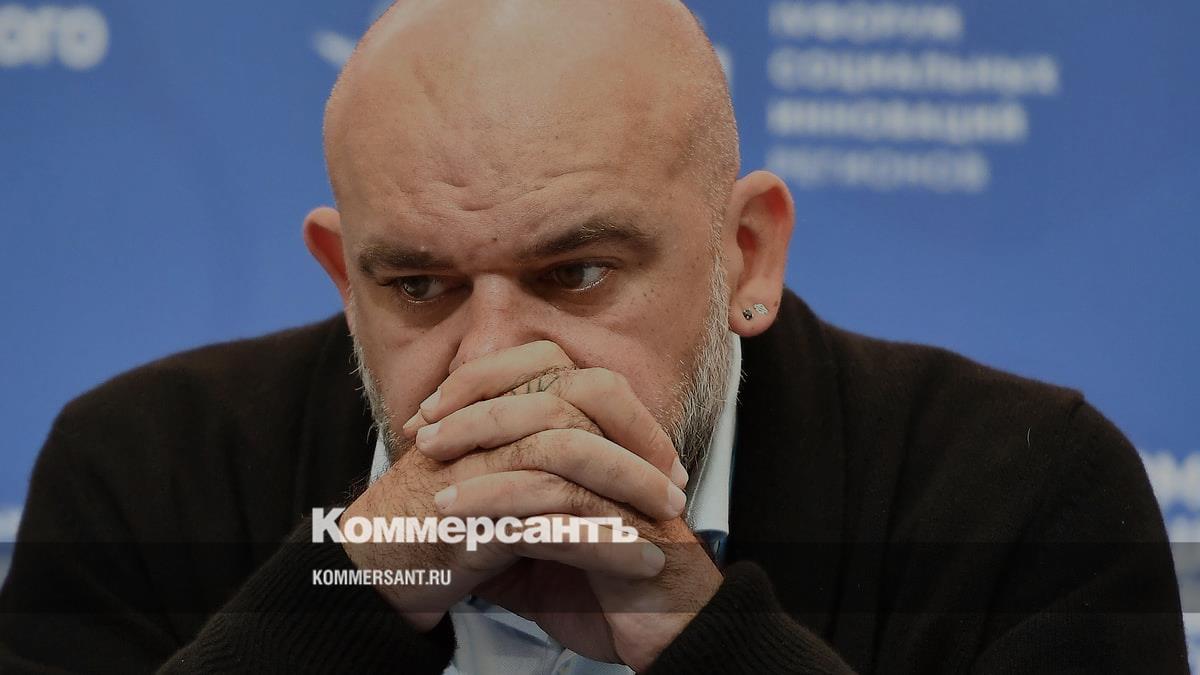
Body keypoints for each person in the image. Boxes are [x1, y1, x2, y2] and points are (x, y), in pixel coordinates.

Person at [0, 0, 1188, 672]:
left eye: (576, 274)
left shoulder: (1026, 493)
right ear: (343, 280)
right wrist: (347, 595)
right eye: (419, 285)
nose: (493, 361)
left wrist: (700, 629)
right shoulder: (139, 470)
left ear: (746, 256)